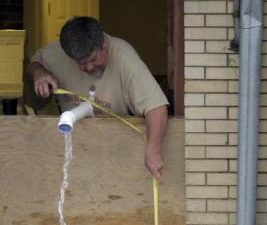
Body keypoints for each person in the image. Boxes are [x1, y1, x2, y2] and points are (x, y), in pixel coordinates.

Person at [25, 16, 169, 181]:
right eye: (81, 63)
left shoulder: (125, 58)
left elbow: (156, 106)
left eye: (93, 59)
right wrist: (39, 73)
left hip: (120, 148)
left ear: (103, 44)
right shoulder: (57, 52)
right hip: (76, 147)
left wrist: (154, 149)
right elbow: (34, 62)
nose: (89, 67)